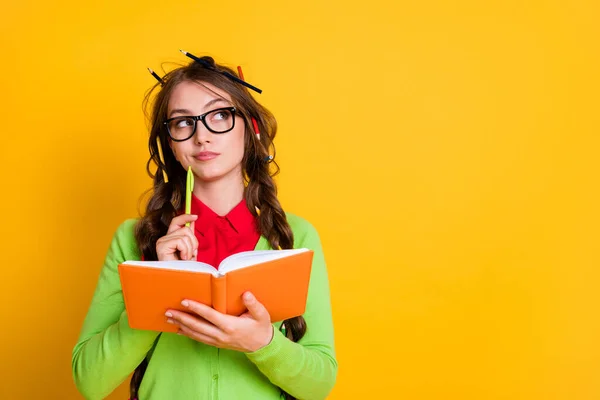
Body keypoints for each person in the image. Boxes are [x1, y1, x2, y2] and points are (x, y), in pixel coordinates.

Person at [71, 53, 337, 400]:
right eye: (183, 123)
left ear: (250, 128)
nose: (202, 136)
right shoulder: (133, 239)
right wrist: (156, 289)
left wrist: (262, 343)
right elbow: (90, 382)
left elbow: (319, 385)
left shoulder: (295, 236)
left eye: (220, 115)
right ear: (170, 142)